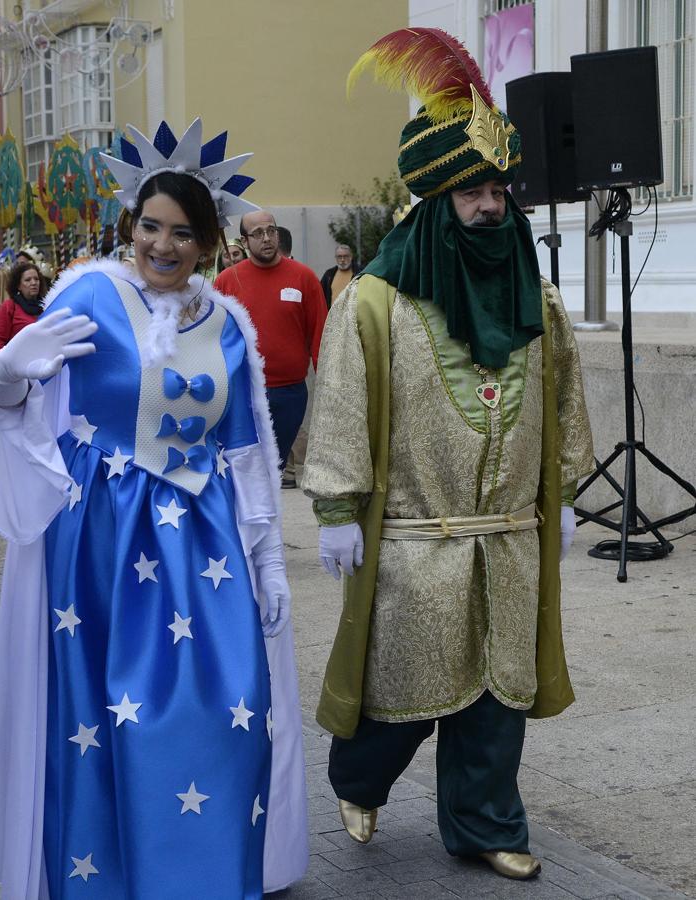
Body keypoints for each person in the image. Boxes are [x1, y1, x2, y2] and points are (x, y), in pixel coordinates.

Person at [0, 119, 308, 899]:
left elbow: (247, 451)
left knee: (230, 710)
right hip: (100, 544)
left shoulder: (229, 325)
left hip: (205, 547)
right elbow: (28, 414)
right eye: (151, 225)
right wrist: (4, 379)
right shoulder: (86, 293)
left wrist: (269, 560)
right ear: (131, 224)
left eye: (183, 232)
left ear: (207, 242)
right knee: (99, 726)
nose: (163, 243)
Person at [303, 29, 595, 882]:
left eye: (500, 188)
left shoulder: (536, 294)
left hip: (507, 535)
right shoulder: (374, 302)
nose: (491, 205)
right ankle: (358, 778)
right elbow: (344, 405)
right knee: (400, 694)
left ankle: (486, 823)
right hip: (413, 539)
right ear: (436, 198)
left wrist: (566, 490)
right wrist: (334, 508)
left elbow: (566, 395)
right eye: (472, 191)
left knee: (499, 698)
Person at [215, 210, 327, 489]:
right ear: (244, 240)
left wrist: (327, 381)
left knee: (273, 468)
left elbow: (320, 332)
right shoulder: (228, 281)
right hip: (243, 391)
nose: (267, 238)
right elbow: (214, 337)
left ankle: (266, 527)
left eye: (271, 231)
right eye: (258, 233)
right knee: (244, 469)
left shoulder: (304, 277)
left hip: (290, 393)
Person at [0, 260, 44, 352]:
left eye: (36, 279)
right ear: (18, 286)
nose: (34, 283)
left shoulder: (46, 306)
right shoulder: (9, 307)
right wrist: (7, 365)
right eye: (28, 280)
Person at [319, 244, 357, 309]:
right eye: (339, 257)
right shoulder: (329, 275)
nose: (342, 259)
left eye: (345, 256)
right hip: (332, 317)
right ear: (336, 258)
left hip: (352, 316)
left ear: (351, 257)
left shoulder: (359, 273)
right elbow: (320, 296)